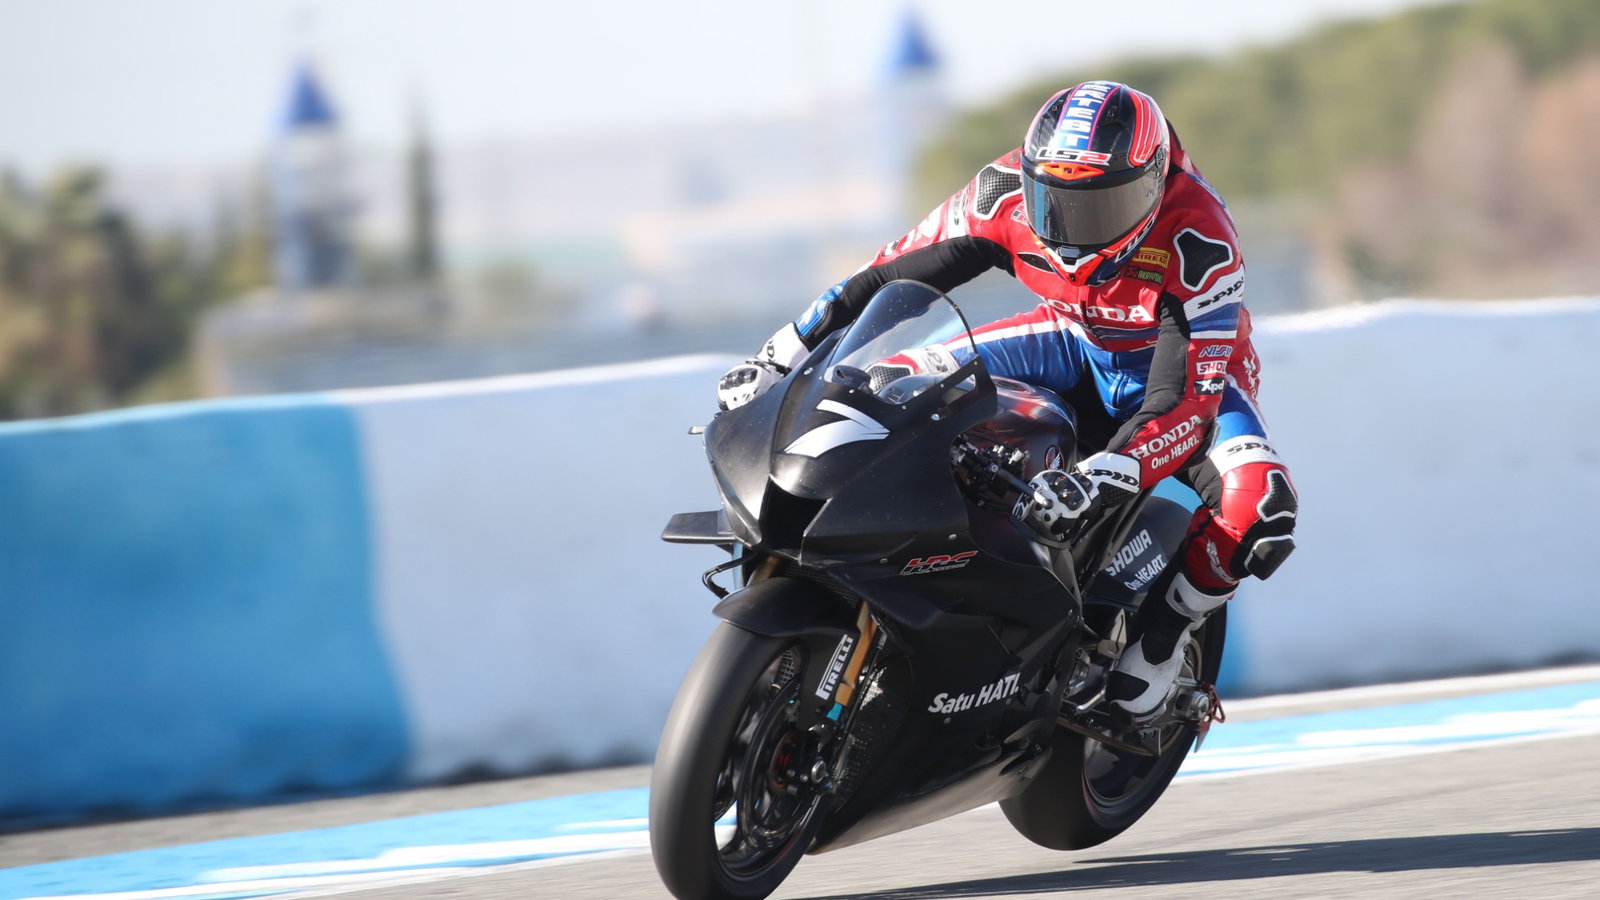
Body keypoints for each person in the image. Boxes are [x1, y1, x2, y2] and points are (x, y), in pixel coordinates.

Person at [716, 80, 1297, 720]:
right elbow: (887, 275)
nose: (1075, 229)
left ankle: (1159, 648)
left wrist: (1114, 470)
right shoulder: (999, 193)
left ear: (1156, 185)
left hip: (1181, 377)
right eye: (1058, 204)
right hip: (1067, 337)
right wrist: (781, 353)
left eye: (1104, 206)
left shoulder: (1202, 236)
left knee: (1261, 505)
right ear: (1030, 180)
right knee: (885, 381)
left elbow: (1185, 403)